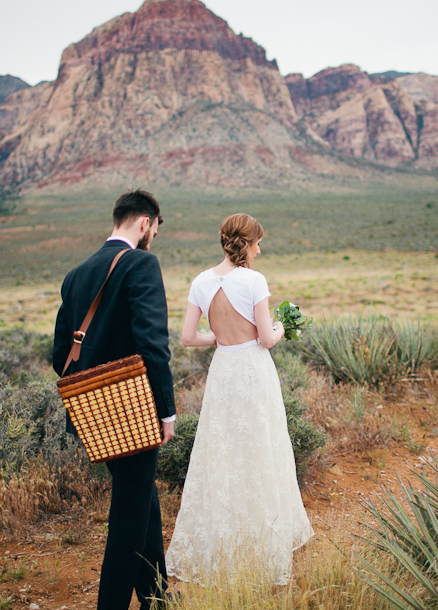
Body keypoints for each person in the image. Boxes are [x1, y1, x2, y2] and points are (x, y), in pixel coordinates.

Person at [166, 213, 314, 585]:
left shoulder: (201, 281)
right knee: (261, 448)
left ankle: (223, 538)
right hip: (252, 371)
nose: (260, 249)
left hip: (223, 371)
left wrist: (216, 339)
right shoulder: (254, 280)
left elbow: (187, 337)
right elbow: (266, 338)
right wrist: (282, 326)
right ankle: (263, 541)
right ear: (246, 244)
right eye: (258, 242)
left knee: (223, 452)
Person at [53, 189, 177, 610]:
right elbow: (153, 346)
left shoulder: (75, 275)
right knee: (129, 511)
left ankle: (157, 597)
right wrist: (167, 410)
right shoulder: (142, 264)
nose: (152, 239)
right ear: (145, 223)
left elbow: (59, 356)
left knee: (140, 494)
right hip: (133, 408)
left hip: (92, 411)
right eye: (154, 231)